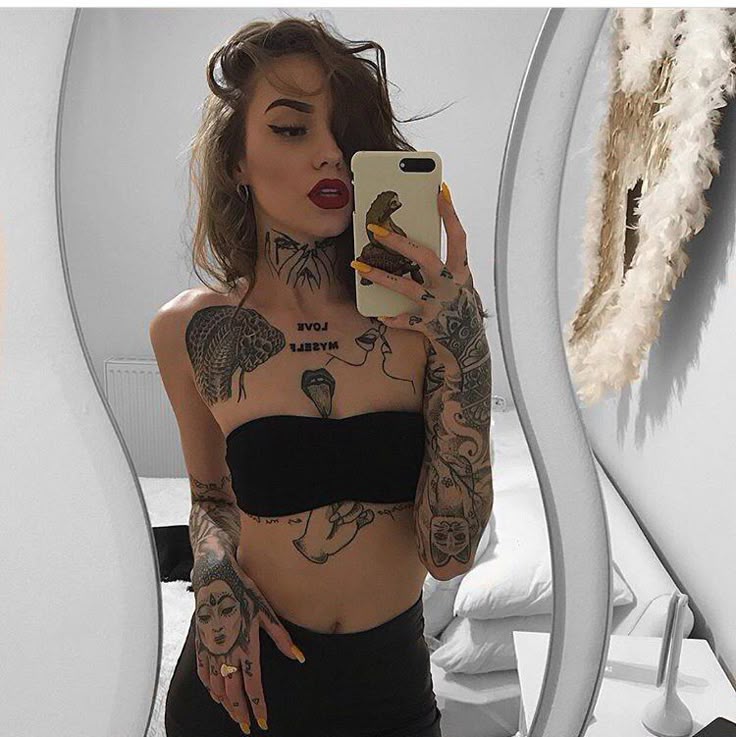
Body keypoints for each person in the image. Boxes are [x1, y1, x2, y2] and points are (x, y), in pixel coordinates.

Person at [150, 14, 492, 737]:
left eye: (346, 132)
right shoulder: (190, 330)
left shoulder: (424, 323)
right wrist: (212, 575)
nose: (331, 153)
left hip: (387, 689)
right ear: (236, 162)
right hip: (244, 682)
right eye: (290, 128)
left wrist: (466, 345)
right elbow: (211, 498)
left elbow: (451, 554)